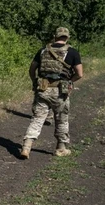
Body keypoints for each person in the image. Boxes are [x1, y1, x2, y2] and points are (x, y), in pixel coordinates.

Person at [20, 27, 83, 159]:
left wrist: (34, 81)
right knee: (61, 119)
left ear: (55, 36)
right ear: (67, 38)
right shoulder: (72, 52)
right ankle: (61, 148)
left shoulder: (43, 50)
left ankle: (26, 146)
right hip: (61, 91)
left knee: (37, 118)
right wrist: (70, 81)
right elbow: (79, 74)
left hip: (42, 89)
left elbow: (32, 69)